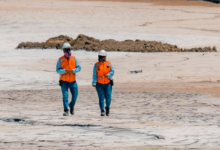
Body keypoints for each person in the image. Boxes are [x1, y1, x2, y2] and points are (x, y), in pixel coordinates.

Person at [56, 42, 81, 116]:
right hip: (64, 81)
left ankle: (72, 105)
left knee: (75, 95)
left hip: (73, 81)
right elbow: (57, 70)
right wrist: (64, 71)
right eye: (66, 50)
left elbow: (79, 68)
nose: (67, 51)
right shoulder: (60, 60)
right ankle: (66, 110)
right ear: (63, 51)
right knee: (65, 95)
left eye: (68, 49)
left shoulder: (74, 59)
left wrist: (73, 70)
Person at [92, 50, 114, 116]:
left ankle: (107, 108)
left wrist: (109, 75)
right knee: (101, 98)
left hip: (108, 84)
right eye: (101, 56)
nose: (102, 58)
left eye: (104, 57)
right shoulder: (96, 65)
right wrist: (94, 82)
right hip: (99, 84)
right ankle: (102, 110)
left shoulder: (109, 64)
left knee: (108, 97)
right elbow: (94, 74)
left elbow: (112, 71)